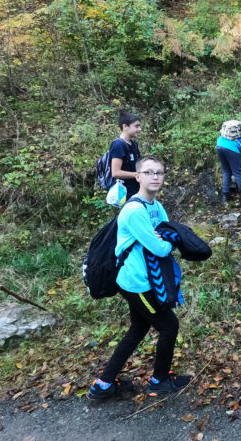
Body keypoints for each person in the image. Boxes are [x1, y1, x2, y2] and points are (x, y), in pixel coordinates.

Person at [87, 156, 191, 400]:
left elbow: (166, 232)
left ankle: (103, 385)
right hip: (137, 284)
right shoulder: (134, 210)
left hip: (149, 278)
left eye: (159, 172)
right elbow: (161, 247)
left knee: (138, 328)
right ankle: (159, 381)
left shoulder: (156, 206)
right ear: (137, 176)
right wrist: (170, 242)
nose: (155, 177)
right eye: (148, 172)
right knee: (169, 325)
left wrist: (166, 239)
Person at [109, 110, 142, 199]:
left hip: (136, 190)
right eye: (136, 126)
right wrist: (137, 175)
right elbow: (115, 172)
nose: (139, 129)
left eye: (139, 126)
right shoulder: (119, 145)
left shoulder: (133, 143)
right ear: (125, 126)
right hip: (124, 193)